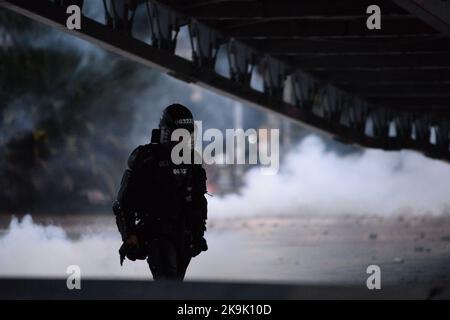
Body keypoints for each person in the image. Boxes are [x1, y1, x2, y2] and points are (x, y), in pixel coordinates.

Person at [113, 103, 208, 281]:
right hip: (157, 234)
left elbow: (199, 200)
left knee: (174, 285)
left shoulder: (192, 160)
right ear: (168, 132)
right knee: (168, 285)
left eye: (187, 134)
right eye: (180, 134)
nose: (183, 139)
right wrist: (129, 235)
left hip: (185, 237)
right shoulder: (147, 159)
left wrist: (198, 232)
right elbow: (123, 203)